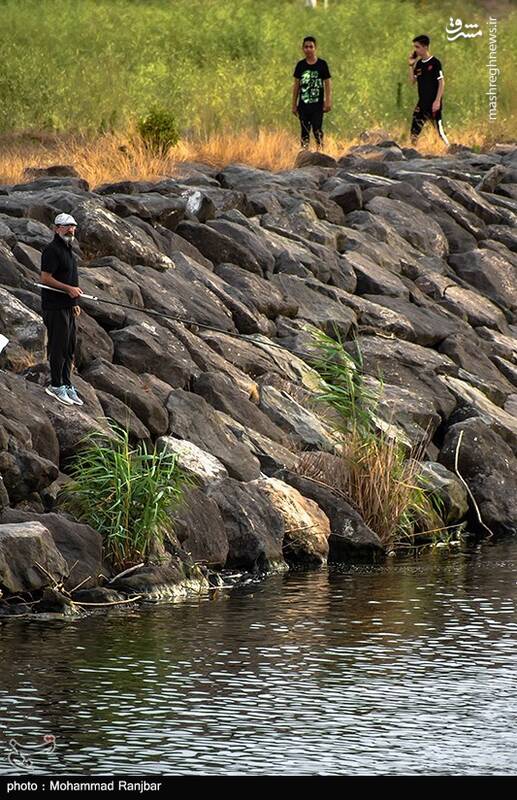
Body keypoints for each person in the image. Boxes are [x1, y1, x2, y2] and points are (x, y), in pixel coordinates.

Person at [40, 213, 84, 406]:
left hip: (67, 306)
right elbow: (45, 279)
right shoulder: (52, 250)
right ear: (56, 228)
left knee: (69, 348)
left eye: (73, 226)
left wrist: (74, 303)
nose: (71, 229)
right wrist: (68, 290)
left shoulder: (68, 250)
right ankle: (55, 385)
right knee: (58, 348)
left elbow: (71, 278)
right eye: (66, 226)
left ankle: (66, 383)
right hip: (55, 307)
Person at [292, 36, 332, 150]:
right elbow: (296, 86)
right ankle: (304, 154)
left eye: (311, 47)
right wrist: (294, 105)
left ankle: (321, 152)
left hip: (317, 105)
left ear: (315, 48)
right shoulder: (300, 65)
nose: (308, 49)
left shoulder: (322, 64)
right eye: (306, 47)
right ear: (302, 49)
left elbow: (328, 83)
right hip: (303, 105)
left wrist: (328, 101)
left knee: (317, 129)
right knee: (304, 130)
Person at [408, 34, 449, 146]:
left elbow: (441, 82)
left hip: (433, 103)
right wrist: (411, 65)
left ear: (425, 47)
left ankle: (449, 149)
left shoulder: (435, 63)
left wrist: (437, 101)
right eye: (414, 47)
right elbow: (412, 81)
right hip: (422, 103)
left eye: (417, 47)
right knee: (414, 130)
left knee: (438, 130)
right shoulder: (419, 64)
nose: (415, 50)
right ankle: (412, 151)